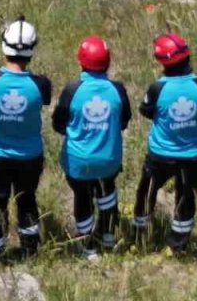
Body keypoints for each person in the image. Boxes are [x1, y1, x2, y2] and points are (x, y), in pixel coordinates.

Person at [0, 17, 53, 260]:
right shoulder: (42, 85)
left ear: (3, 45)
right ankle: (30, 249)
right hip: (29, 156)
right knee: (27, 200)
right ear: (32, 49)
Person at [52, 36, 132, 259]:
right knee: (106, 190)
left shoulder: (72, 90)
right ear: (108, 62)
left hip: (79, 162)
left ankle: (87, 245)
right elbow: (125, 120)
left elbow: (58, 123)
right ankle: (108, 237)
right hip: (109, 160)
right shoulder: (118, 89)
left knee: (82, 196)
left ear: (81, 62)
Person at [132, 33, 197, 255]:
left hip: (161, 153)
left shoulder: (157, 88)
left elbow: (145, 111)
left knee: (146, 190)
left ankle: (140, 234)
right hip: (195, 154)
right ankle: (179, 243)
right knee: (187, 196)